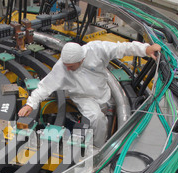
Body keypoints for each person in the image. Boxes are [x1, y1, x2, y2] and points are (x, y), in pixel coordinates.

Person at [18, 40, 161, 147]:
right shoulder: (62, 67)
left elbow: (122, 48)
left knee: (109, 112)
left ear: (82, 59)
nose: (67, 70)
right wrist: (31, 104)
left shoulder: (97, 49)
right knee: (97, 118)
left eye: (71, 67)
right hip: (82, 97)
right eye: (66, 66)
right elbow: (45, 86)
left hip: (103, 92)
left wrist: (146, 49)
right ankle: (98, 148)